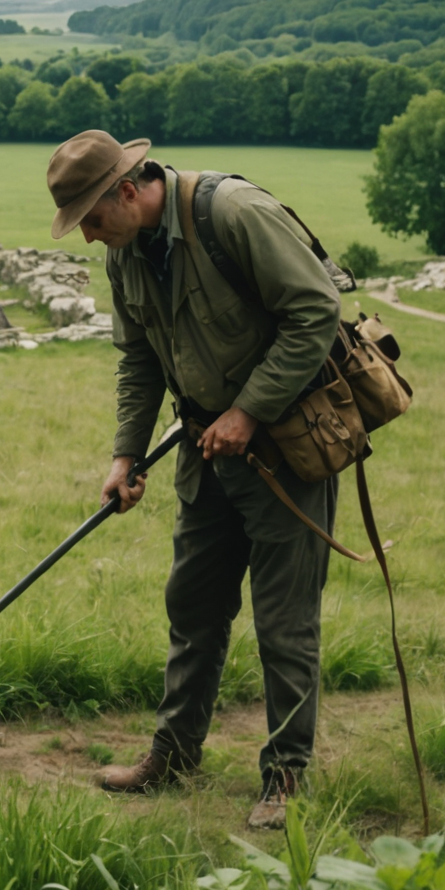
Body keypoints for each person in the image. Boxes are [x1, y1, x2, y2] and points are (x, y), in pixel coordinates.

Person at [45, 129, 343, 830]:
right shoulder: (125, 253)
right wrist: (126, 454)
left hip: (285, 448)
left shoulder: (234, 214)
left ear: (128, 190)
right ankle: (174, 755)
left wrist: (249, 411)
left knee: (284, 621)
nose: (88, 236)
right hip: (205, 453)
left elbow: (316, 312)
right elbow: (139, 360)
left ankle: (285, 776)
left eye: (91, 218)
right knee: (193, 606)